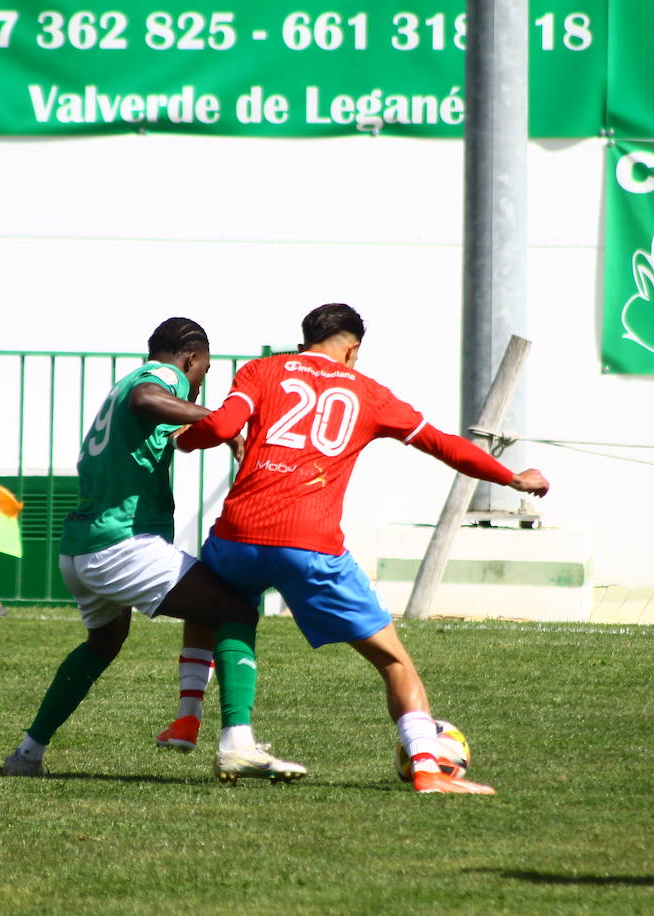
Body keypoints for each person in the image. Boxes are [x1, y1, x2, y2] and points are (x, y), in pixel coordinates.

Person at [165, 303, 550, 794]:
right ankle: (427, 768)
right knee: (393, 662)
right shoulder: (368, 392)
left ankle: (194, 718)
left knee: (221, 607)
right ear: (352, 349)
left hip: (238, 535)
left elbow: (220, 428)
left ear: (304, 341)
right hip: (310, 544)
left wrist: (185, 440)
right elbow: (443, 444)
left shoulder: (262, 370)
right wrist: (512, 477)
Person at [3, 318, 305, 782]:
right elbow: (149, 399)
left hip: (81, 548)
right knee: (235, 609)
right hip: (121, 544)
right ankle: (236, 744)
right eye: (203, 371)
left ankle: (28, 752)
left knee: (104, 644)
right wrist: (215, 418)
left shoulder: (123, 384)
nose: (199, 383)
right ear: (191, 359)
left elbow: (156, 427)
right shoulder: (163, 376)